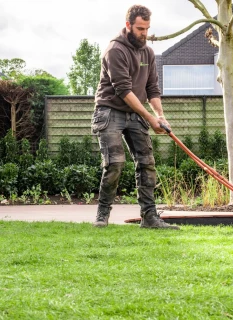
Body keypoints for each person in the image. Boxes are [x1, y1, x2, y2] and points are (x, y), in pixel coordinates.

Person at [91, 5, 179, 230]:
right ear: (128, 25)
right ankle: (102, 215)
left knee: (146, 163)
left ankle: (149, 218)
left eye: (147, 29)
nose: (144, 33)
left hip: (135, 112)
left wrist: (161, 115)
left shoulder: (147, 52)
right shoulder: (115, 50)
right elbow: (124, 90)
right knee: (115, 163)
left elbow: (152, 88)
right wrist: (150, 119)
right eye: (140, 28)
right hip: (110, 110)